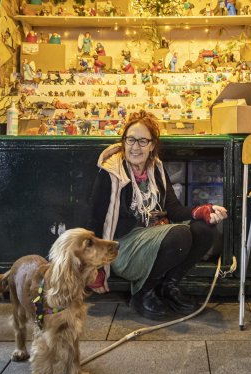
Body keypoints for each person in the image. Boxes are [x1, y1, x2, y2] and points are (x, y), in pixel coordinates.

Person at [88, 110, 228, 320]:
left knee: (204, 229)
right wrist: (95, 267)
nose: (135, 147)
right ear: (123, 141)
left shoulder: (156, 168)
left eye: (143, 141)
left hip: (151, 236)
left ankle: (167, 286)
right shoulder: (112, 172)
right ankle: (142, 292)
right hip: (122, 246)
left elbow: (174, 210)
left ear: (152, 144)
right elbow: (95, 219)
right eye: (131, 140)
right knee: (180, 234)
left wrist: (202, 210)